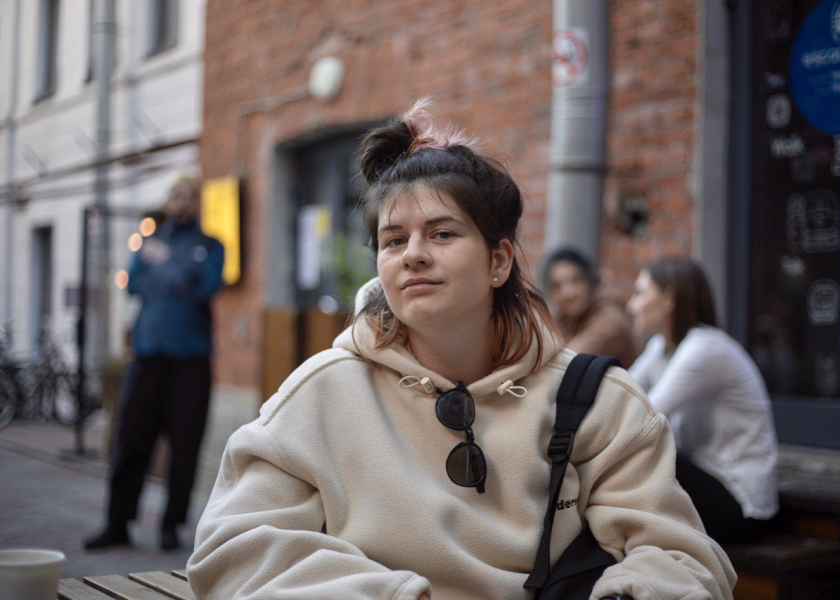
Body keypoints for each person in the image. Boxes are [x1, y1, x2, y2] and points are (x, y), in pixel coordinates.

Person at [187, 101, 734, 599]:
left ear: (499, 262)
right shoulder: (324, 391)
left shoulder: (596, 399)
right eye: (394, 240)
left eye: (442, 234)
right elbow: (233, 548)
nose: (413, 255)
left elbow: (680, 555)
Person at [84, 176, 225, 551]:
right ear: (168, 201)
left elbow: (205, 290)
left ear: (199, 203)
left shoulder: (211, 246)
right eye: (177, 195)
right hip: (147, 359)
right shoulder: (149, 240)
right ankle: (117, 523)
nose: (183, 201)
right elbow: (133, 284)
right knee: (130, 442)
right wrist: (177, 274)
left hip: (191, 363)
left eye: (190, 196)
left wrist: (167, 265)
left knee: (184, 447)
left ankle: (170, 526)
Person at [626, 258, 778, 544]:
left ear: (668, 299)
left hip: (740, 500)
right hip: (703, 483)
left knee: (647, 453)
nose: (631, 306)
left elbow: (642, 417)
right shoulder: (660, 347)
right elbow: (621, 395)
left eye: (640, 293)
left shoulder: (705, 348)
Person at [544, 248, 638, 367]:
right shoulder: (564, 313)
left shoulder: (610, 319)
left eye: (575, 280)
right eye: (557, 286)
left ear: (589, 281)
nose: (568, 293)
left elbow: (565, 361)